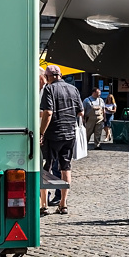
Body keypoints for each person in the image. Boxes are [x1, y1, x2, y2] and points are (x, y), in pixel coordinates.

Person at [38, 66, 84, 215]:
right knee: (66, 168)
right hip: (69, 134)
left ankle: (44, 205)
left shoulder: (49, 89)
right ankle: (63, 204)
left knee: (46, 168)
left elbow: (48, 112)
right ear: (61, 75)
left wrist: (41, 132)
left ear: (48, 76)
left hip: (53, 134)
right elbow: (81, 112)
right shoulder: (73, 89)